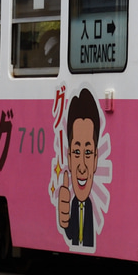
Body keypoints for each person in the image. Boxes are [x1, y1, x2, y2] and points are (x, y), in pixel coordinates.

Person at [58, 88, 100, 248]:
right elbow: (70, 233)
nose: (82, 167)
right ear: (69, 157)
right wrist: (64, 222)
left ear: (96, 159)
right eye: (76, 152)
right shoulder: (73, 204)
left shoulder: (89, 206)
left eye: (88, 152)